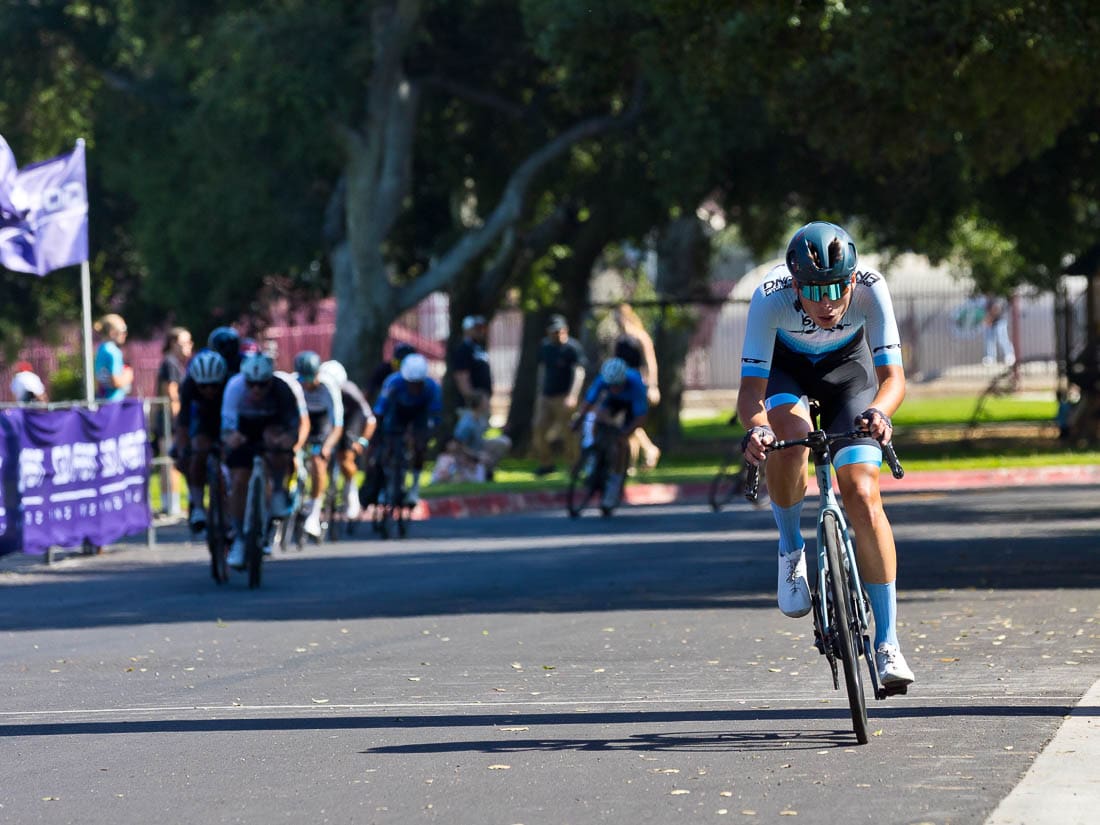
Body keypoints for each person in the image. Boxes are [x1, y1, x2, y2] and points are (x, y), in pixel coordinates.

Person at [736, 220, 914, 690]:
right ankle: (791, 549)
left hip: (848, 376)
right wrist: (757, 431)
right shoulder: (768, 296)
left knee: (861, 492)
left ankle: (888, 642)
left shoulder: (873, 290)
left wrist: (879, 411)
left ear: (852, 279)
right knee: (788, 436)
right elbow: (750, 396)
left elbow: (893, 380)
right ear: (795, 284)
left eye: (838, 287)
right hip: (787, 373)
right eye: (815, 290)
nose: (828, 300)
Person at [220, 353, 303, 568]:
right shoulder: (235, 387)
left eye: (262, 384)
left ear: (270, 380)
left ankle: (277, 491)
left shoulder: (282, 389)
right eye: (252, 384)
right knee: (239, 480)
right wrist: (232, 437)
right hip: (244, 431)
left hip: (272, 427)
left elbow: (293, 428)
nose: (256, 389)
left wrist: (285, 440)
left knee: (281, 452)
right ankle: (239, 537)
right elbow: (226, 428)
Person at [571, 356, 649, 509]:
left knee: (620, 443)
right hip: (612, 402)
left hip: (631, 406)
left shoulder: (636, 384)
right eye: (611, 385)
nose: (614, 388)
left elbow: (640, 417)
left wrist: (625, 433)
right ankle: (593, 454)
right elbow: (588, 403)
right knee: (597, 416)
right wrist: (578, 420)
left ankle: (615, 483)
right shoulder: (602, 380)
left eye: (617, 385)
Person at [365, 353, 442, 507]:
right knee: (387, 445)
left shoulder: (432, 388)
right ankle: (384, 485)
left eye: (418, 384)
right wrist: (379, 435)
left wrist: (424, 436)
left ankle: (414, 487)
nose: (414, 388)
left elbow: (434, 417)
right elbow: (380, 410)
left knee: (420, 446)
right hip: (397, 412)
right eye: (410, 383)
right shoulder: (393, 382)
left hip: (420, 413)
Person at [174, 348, 229, 532]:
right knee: (196, 452)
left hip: (226, 420)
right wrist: (183, 450)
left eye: (214, 385)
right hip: (202, 421)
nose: (209, 390)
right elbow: (183, 423)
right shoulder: (188, 386)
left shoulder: (231, 384)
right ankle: (197, 505)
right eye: (203, 386)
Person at [293, 350, 345, 538]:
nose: (307, 383)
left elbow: (337, 425)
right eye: (303, 378)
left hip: (322, 424)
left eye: (310, 378)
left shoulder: (328, 386)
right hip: (301, 421)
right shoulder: (294, 383)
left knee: (318, 461)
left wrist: (327, 446)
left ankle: (314, 513)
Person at [320, 359, 377, 520]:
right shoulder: (321, 390)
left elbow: (370, 419)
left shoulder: (350, 392)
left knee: (345, 457)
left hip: (350, 421)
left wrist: (362, 441)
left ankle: (352, 493)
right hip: (330, 421)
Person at [532, 314, 587, 476]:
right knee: (538, 427)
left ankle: (574, 465)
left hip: (564, 396)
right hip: (547, 396)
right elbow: (542, 370)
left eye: (561, 331)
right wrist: (539, 393)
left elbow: (579, 372)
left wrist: (573, 395)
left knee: (569, 432)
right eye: (555, 331)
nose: (558, 334)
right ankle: (546, 463)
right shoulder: (545, 347)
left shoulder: (572, 348)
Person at [610, 303, 662, 471]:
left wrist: (652, 386)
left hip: (638, 384)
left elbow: (650, 362)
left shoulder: (640, 337)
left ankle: (645, 453)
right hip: (622, 385)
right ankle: (634, 461)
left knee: (631, 422)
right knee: (628, 424)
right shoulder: (619, 340)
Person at [154, 327, 193, 517]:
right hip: (170, 421)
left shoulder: (174, 363)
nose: (188, 346)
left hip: (167, 420)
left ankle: (168, 503)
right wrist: (179, 421)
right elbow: (171, 392)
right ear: (172, 343)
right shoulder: (170, 363)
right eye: (183, 342)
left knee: (167, 462)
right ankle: (172, 505)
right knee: (172, 462)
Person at [452, 389, 512, 480]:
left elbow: (486, 428)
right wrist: (477, 456)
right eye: (486, 401)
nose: (488, 403)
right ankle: (483, 471)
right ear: (479, 404)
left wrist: (500, 428)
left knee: (503, 442)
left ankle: (488, 470)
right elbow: (458, 446)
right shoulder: (467, 423)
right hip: (467, 453)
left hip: (479, 446)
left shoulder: (481, 417)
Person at [450, 315, 492, 409]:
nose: (480, 331)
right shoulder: (463, 349)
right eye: (476, 328)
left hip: (482, 400)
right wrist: (474, 397)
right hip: (473, 405)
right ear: (467, 329)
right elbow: (461, 376)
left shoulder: (478, 347)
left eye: (481, 328)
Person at [93, 313, 133, 402]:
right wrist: (129, 374)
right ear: (112, 332)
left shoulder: (101, 349)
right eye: (123, 330)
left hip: (101, 401)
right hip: (114, 404)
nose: (125, 334)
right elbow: (116, 382)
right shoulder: (114, 352)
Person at [982, 293, 1016, 367]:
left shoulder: (1000, 297)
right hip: (991, 322)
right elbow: (986, 310)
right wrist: (988, 319)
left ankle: (1009, 355)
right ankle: (990, 357)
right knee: (990, 339)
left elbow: (996, 309)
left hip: (1000, 321)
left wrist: (989, 319)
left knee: (1002, 339)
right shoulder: (989, 299)